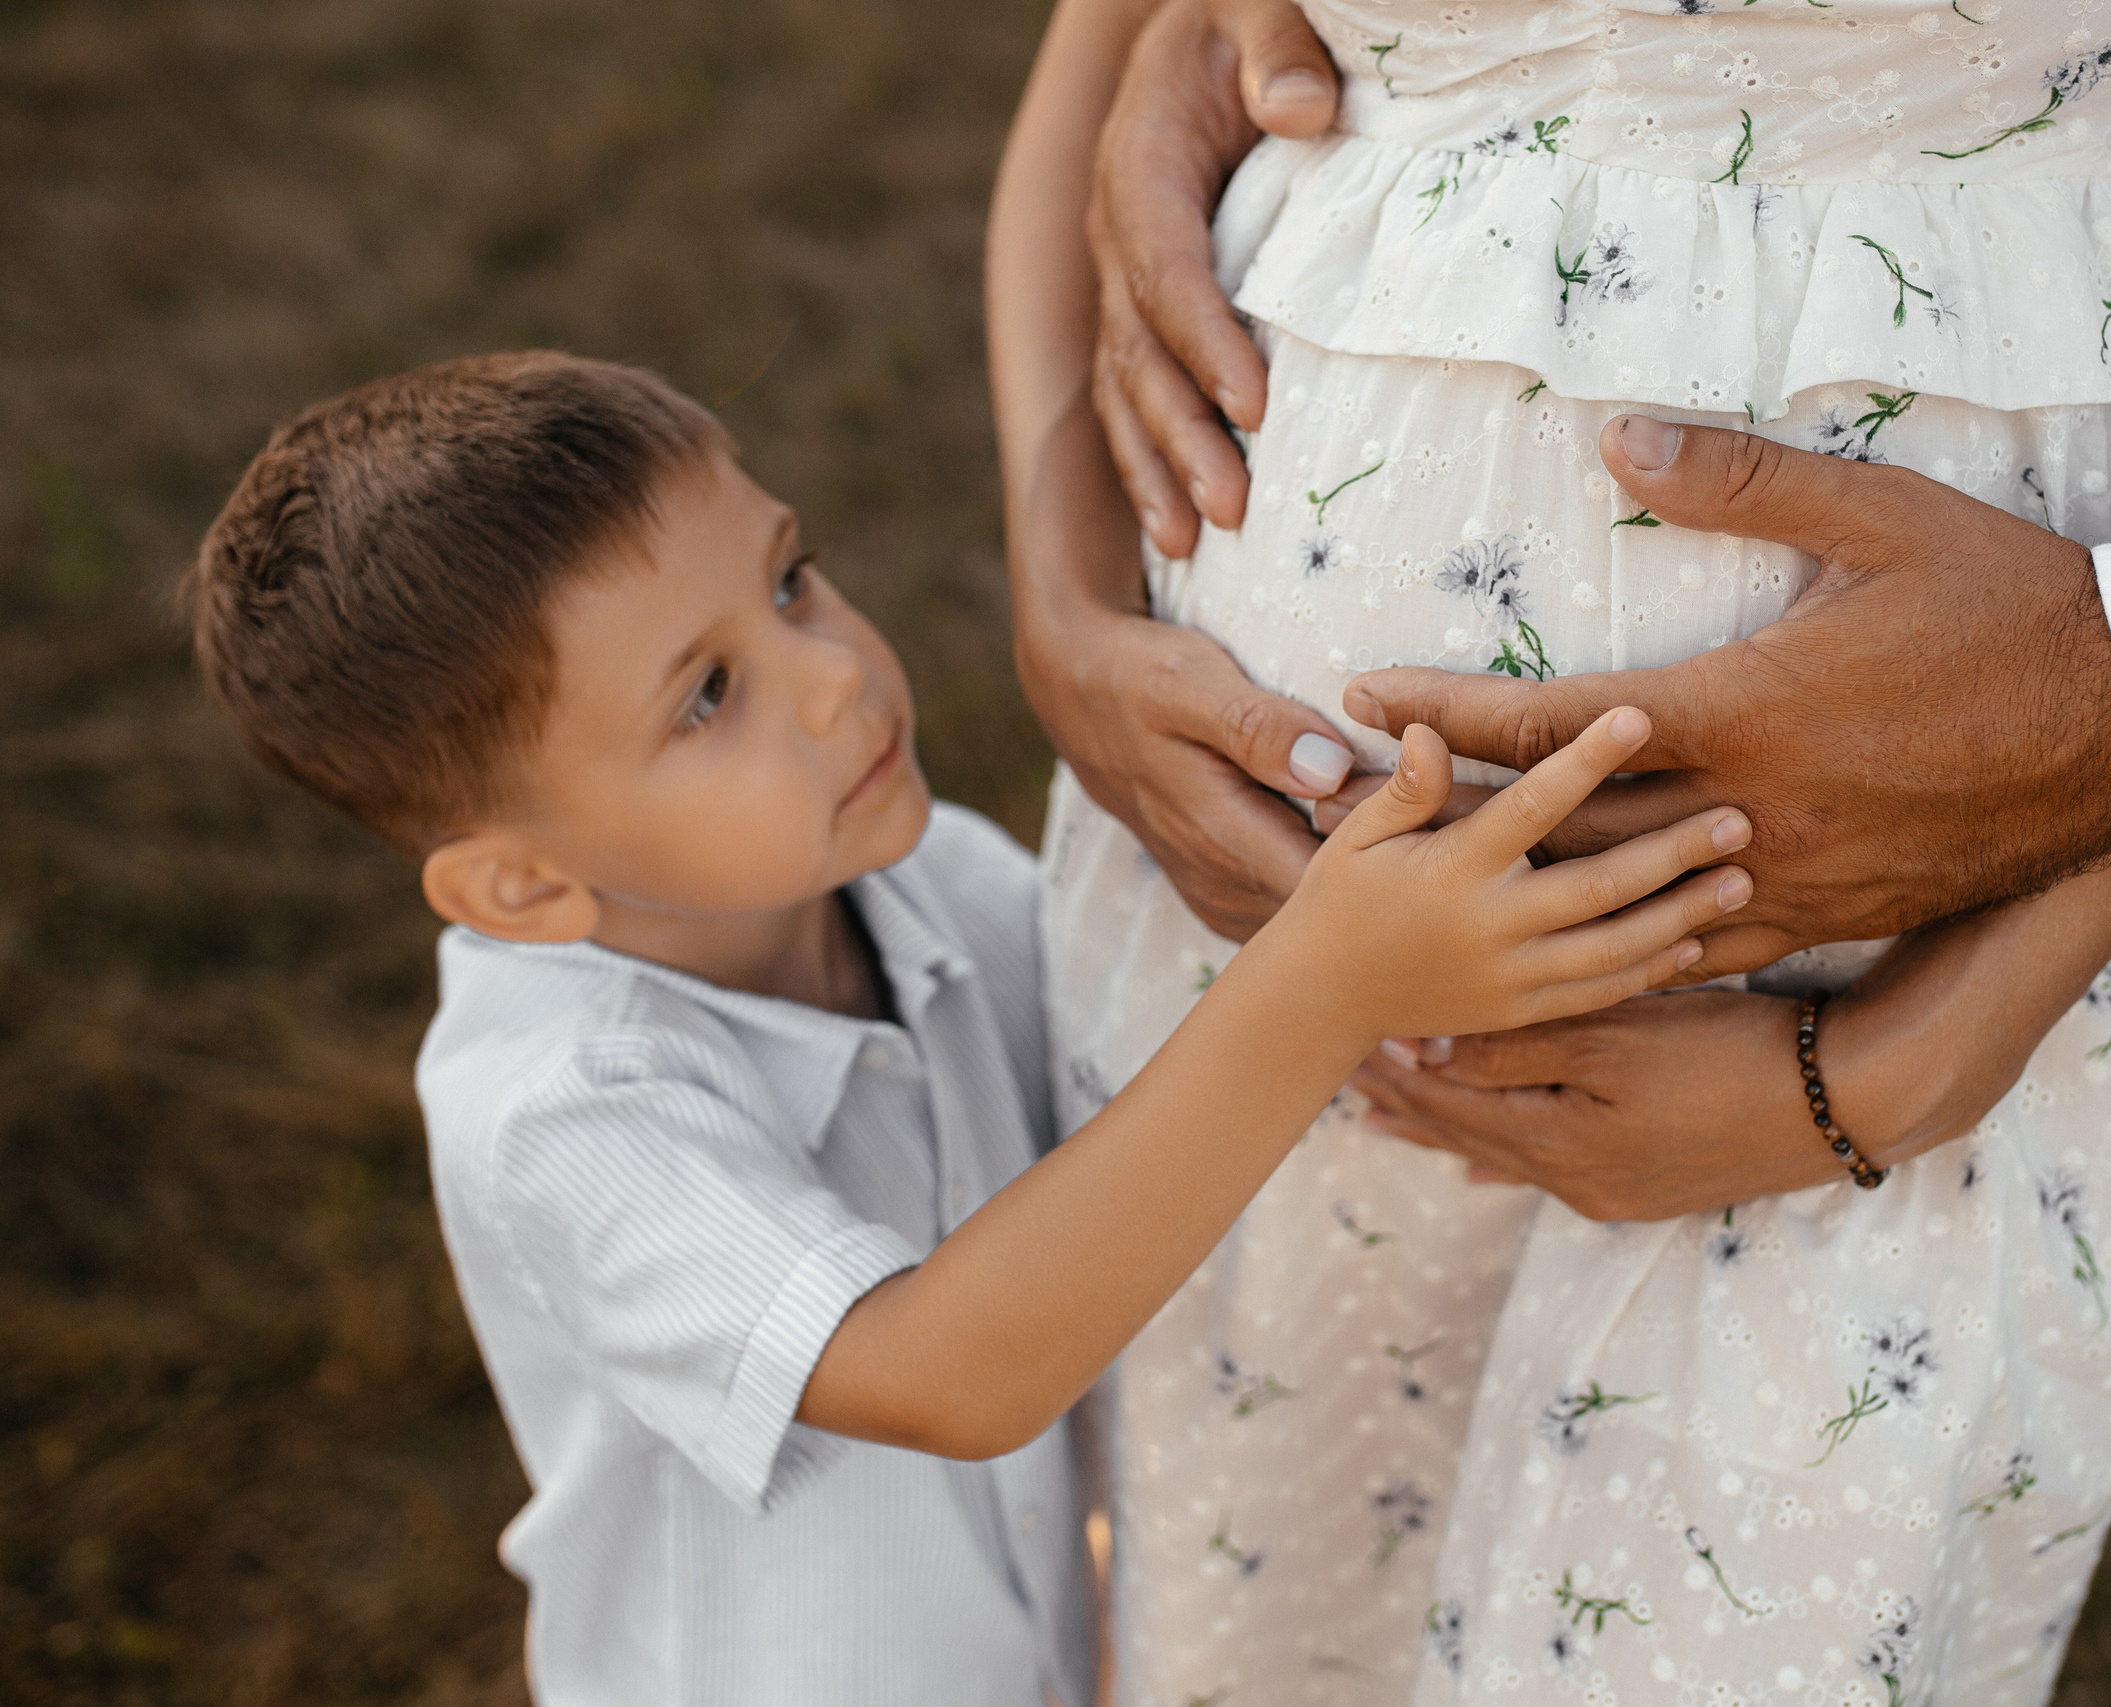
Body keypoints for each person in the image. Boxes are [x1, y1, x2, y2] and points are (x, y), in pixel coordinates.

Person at [986, 0, 2111, 1698]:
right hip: (1260, 908)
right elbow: (1126, 53)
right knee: (1256, 1638)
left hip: (1934, 944)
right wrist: (1059, 592)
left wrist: (1929, 1038)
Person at [179, 351, 1751, 1707]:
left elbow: (1144, 1102)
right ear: (522, 885)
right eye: (706, 697)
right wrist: (1327, 980)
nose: (832, 678)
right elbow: (952, 1372)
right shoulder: (563, 1110)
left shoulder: (926, 878)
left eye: (789, 580)